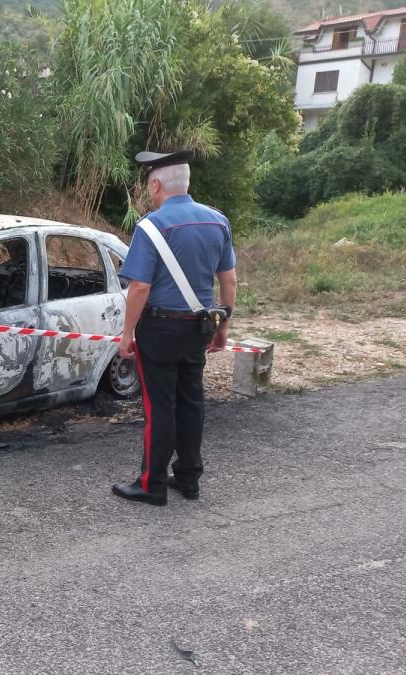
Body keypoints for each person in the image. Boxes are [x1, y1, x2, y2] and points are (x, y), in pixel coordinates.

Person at [111, 151, 238, 507]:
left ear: (156, 184)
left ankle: (152, 484)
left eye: (149, 185)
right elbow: (229, 281)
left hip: (161, 328)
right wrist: (223, 325)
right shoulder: (217, 221)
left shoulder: (151, 226)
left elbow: (139, 288)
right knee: (191, 401)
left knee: (160, 407)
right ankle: (189, 478)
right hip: (199, 327)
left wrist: (126, 335)